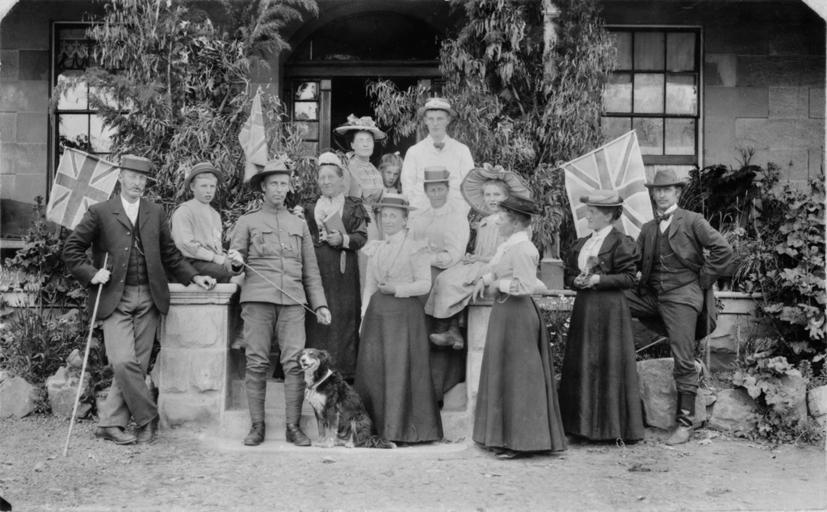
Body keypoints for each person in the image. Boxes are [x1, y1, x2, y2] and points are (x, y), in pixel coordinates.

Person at [63, 154, 216, 445]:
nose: (137, 183)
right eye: (132, 176)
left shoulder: (154, 212)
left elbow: (170, 253)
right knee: (122, 362)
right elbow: (71, 249)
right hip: (114, 297)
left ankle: (110, 424)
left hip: (149, 296)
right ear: (120, 177)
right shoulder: (100, 212)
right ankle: (147, 417)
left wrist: (194, 276)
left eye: (142, 178)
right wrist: (92, 274)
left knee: (138, 364)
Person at [227, 157, 332, 447]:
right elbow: (234, 264)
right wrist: (235, 262)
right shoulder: (247, 222)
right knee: (257, 362)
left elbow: (311, 270)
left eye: (283, 184)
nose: (278, 189)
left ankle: (292, 427)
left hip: (293, 302)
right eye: (273, 183)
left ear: (289, 187)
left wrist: (320, 305)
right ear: (263, 187)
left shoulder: (298, 224)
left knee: (295, 364)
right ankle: (257, 426)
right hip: (257, 299)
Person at [625, 168, 734, 445]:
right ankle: (616, 358)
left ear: (677, 192)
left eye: (667, 190)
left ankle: (685, 424)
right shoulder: (648, 228)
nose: (661, 195)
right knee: (615, 298)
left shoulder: (693, 220)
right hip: (654, 295)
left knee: (683, 357)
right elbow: (634, 262)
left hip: (683, 296)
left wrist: (703, 279)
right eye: (657, 190)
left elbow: (723, 250)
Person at [470, 196, 566, 458]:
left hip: (518, 316)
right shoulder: (510, 246)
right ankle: (503, 438)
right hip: (505, 313)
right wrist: (485, 279)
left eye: (502, 218)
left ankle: (524, 442)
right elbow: (500, 269)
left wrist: (496, 285)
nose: (497, 222)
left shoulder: (524, 248)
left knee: (520, 377)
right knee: (506, 373)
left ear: (514, 222)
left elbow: (525, 286)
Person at [354, 193, 443, 443]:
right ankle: (377, 429)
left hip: (405, 318)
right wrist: (363, 317)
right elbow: (369, 287)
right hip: (377, 317)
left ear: (405, 220)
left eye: (394, 216)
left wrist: (397, 289)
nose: (388, 220)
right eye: (384, 215)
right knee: (376, 370)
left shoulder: (416, 248)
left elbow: (424, 284)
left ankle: (403, 430)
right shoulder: (376, 249)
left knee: (400, 370)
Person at [559, 191, 644, 443]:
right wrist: (575, 281)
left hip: (610, 311)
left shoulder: (621, 242)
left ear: (608, 215)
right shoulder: (582, 243)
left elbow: (629, 278)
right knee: (584, 360)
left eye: (592, 212)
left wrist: (598, 279)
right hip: (585, 309)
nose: (587, 216)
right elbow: (569, 273)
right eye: (588, 210)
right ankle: (581, 428)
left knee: (609, 364)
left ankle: (611, 429)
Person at [425, 164, 531, 348]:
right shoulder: (484, 221)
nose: (492, 199)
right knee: (445, 276)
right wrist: (472, 257)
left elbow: (506, 255)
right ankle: (451, 329)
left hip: (498, 267)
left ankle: (452, 329)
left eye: (497, 195)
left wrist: (479, 260)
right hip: (481, 262)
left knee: (453, 281)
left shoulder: (512, 222)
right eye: (488, 195)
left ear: (506, 197)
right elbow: (481, 250)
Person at [304, 152, 369, 382]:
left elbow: (362, 237)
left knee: (343, 315)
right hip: (317, 269)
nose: (326, 181)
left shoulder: (353, 206)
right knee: (317, 316)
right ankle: (315, 369)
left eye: (331, 177)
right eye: (322, 177)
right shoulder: (309, 206)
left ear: (342, 180)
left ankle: (343, 369)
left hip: (344, 271)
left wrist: (343, 239)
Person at [409, 167, 470, 401]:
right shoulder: (420, 216)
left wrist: (430, 258)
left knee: (437, 329)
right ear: (426, 191)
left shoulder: (456, 217)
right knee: (419, 331)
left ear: (447, 189)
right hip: (420, 277)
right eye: (432, 189)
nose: (436, 194)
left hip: (444, 275)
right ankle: (418, 391)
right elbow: (411, 244)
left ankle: (439, 389)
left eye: (440, 189)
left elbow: (454, 254)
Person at [333, 114, 387, 288]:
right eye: (361, 140)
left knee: (378, 267)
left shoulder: (374, 170)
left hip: (377, 222)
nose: (365, 144)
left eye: (369, 140)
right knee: (364, 268)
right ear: (352, 145)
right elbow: (342, 201)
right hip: (359, 223)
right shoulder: (348, 168)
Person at [400, 98, 474, 215]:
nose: (435, 123)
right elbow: (407, 186)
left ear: (448, 120)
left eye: (440, 119)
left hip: (454, 215)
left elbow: (470, 186)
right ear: (425, 120)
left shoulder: (462, 150)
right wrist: (418, 211)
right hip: (422, 216)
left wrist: (461, 212)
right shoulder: (414, 152)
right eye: (431, 119)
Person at [170, 161, 241, 283]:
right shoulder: (184, 211)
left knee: (240, 269)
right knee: (229, 275)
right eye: (203, 186)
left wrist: (225, 257)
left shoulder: (215, 215)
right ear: (193, 187)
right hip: (190, 262)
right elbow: (184, 244)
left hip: (211, 262)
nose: (208, 191)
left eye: (212, 186)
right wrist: (214, 257)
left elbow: (216, 245)